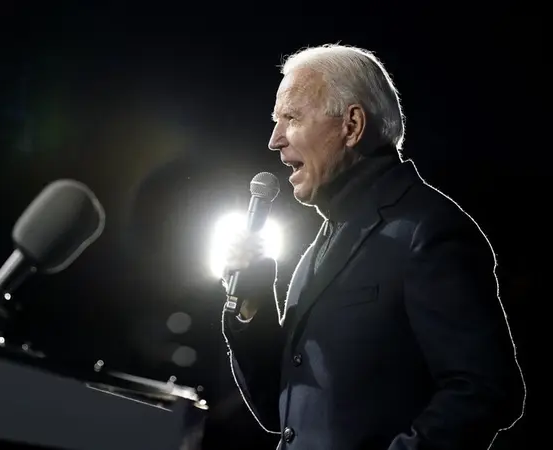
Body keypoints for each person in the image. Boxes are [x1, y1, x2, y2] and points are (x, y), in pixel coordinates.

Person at [221, 44, 525, 450]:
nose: (275, 140)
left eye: (291, 118)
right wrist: (252, 307)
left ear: (351, 125)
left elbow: (484, 390)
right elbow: (283, 415)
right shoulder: (320, 249)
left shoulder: (428, 230)